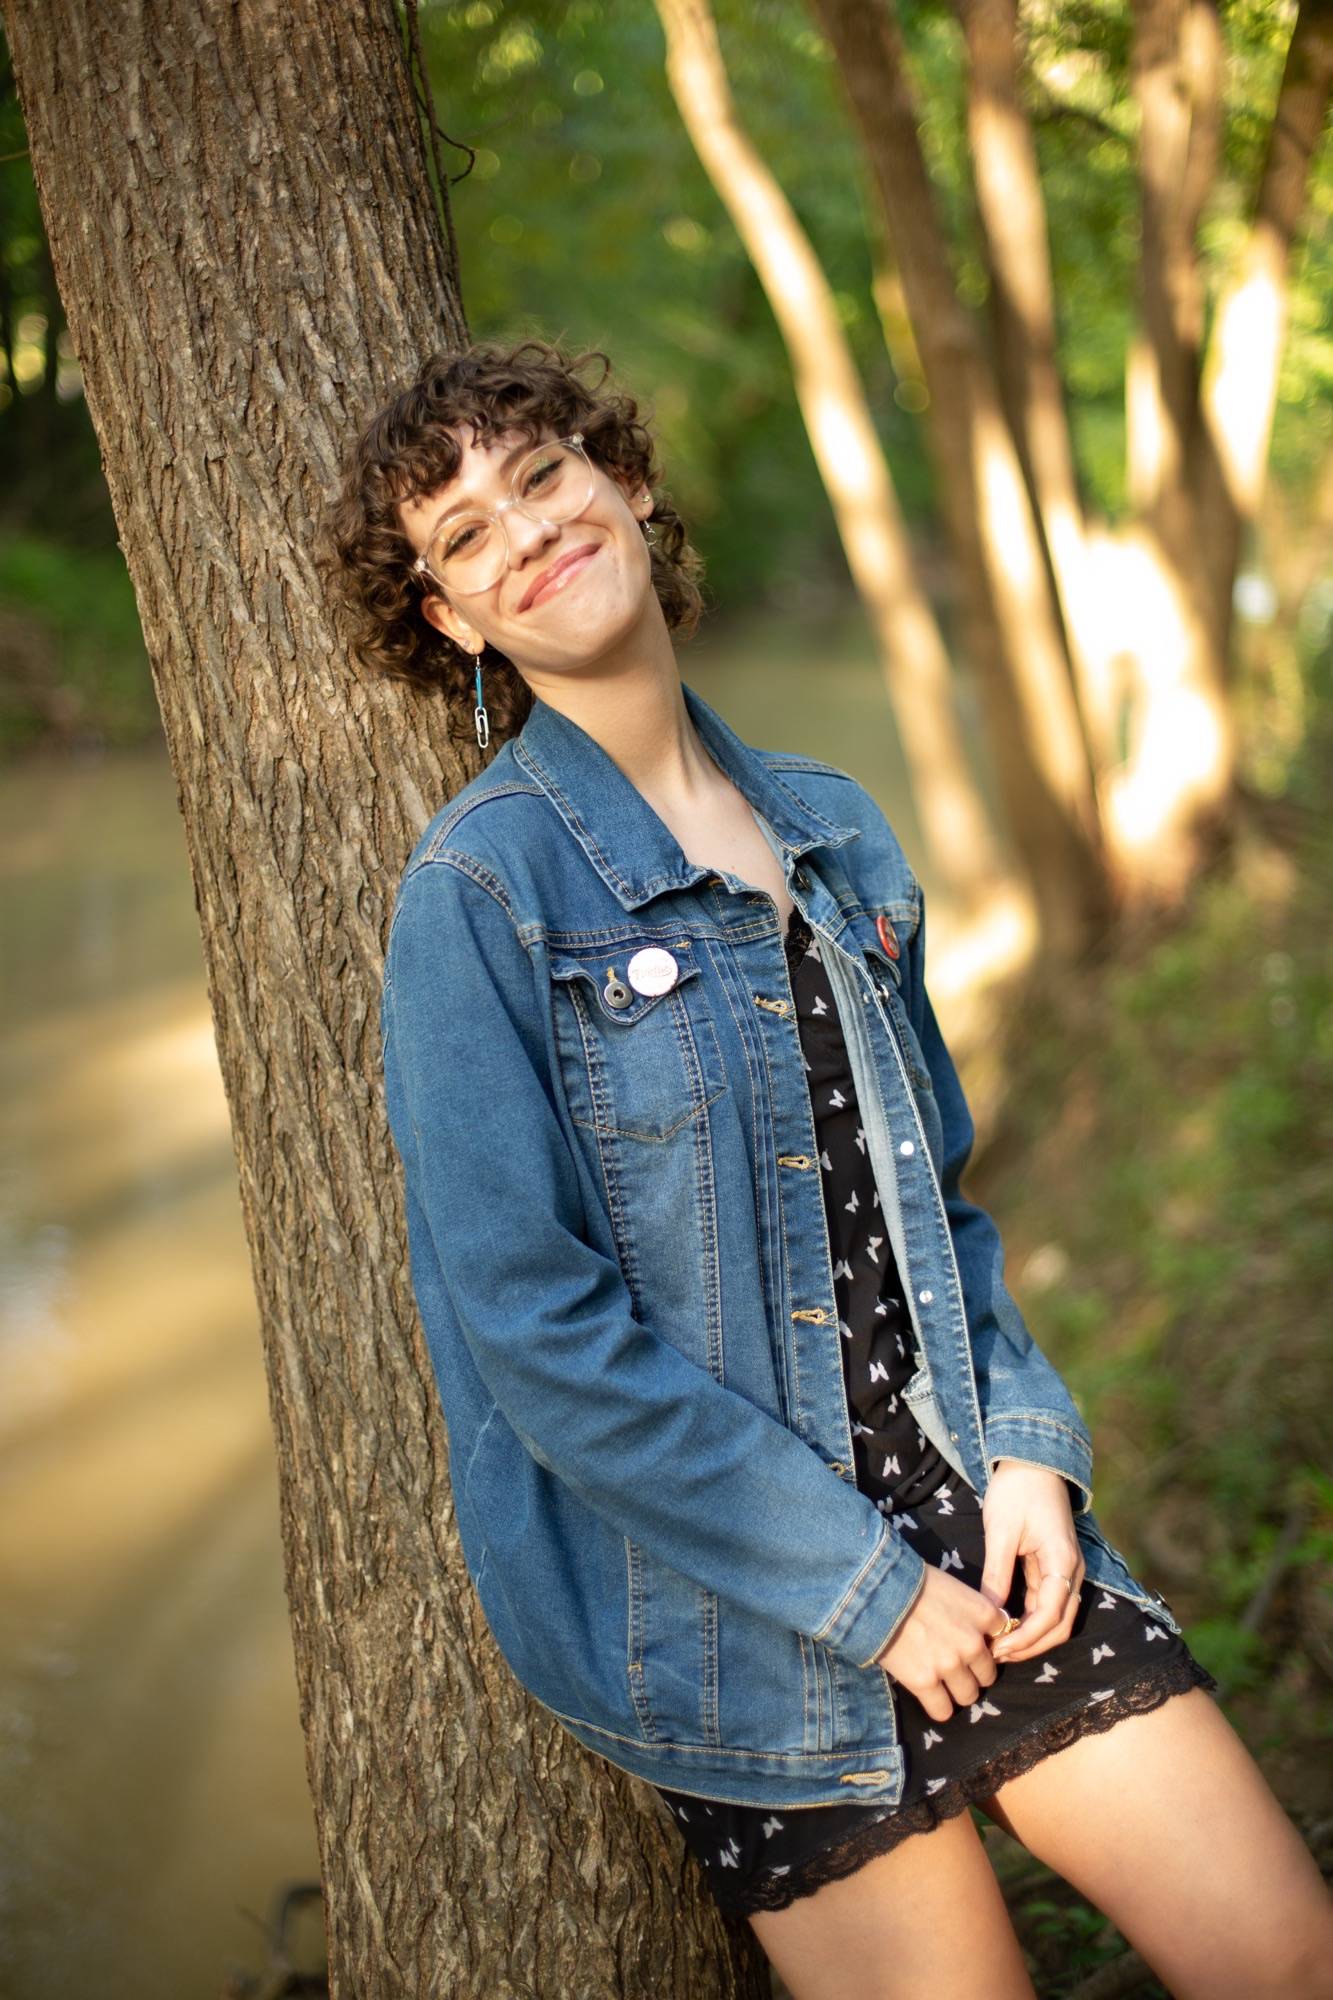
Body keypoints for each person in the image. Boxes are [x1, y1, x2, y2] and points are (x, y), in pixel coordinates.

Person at [327, 336, 1333, 1999]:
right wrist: (862, 1594)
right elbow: (532, 1333)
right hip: (732, 1616)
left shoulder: (830, 827)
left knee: (1287, 1955)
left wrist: (1024, 1449)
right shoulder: (478, 896)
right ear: (451, 617)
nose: (520, 534)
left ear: (624, 483)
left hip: (983, 1529)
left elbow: (934, 1202)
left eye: (540, 477)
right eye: (461, 536)